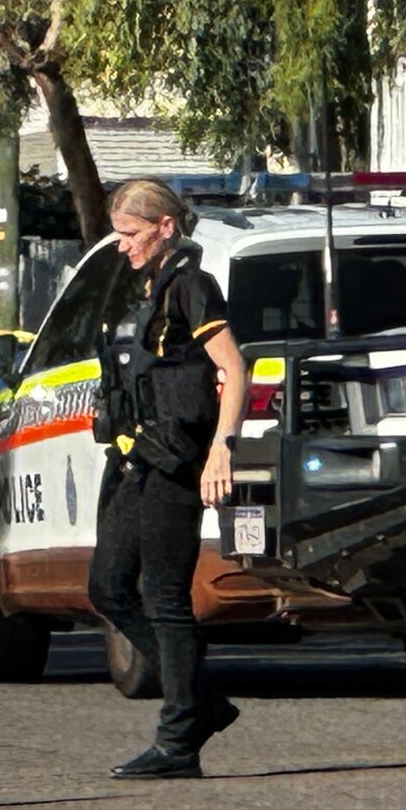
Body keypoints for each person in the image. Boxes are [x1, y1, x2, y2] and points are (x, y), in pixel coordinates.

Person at [88, 179, 247, 779]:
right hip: (141, 454)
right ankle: (200, 700)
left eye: (129, 234)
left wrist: (220, 450)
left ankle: (180, 739)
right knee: (108, 586)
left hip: (180, 458)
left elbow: (234, 366)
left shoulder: (191, 285)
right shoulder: (149, 288)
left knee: (164, 596)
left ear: (165, 228)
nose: (122, 245)